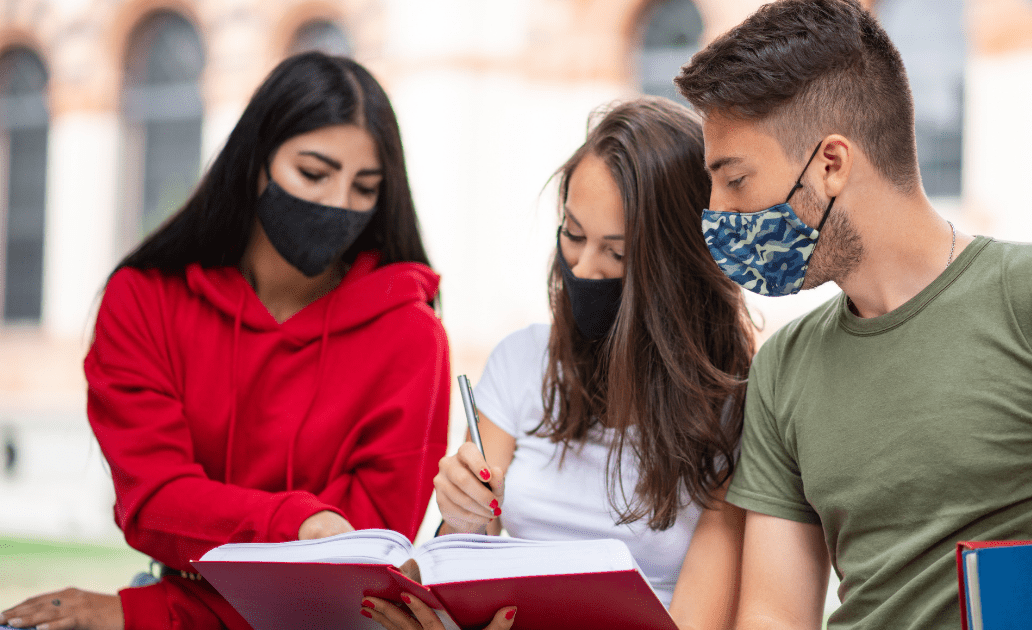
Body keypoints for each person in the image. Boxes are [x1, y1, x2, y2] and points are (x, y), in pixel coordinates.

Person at [669, 1, 1032, 629]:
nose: (717, 214)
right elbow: (773, 617)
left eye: (734, 180)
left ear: (830, 165)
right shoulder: (784, 366)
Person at [0, 52, 451, 630]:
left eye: (364, 187)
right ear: (257, 162)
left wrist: (146, 615)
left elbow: (355, 578)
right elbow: (155, 503)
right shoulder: (143, 301)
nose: (338, 204)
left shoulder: (411, 337)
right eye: (314, 174)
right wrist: (302, 525)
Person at [359, 98, 756, 630]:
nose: (584, 268)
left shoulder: (737, 409)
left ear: (681, 264)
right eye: (573, 234)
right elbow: (455, 572)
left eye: (617, 253)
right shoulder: (522, 362)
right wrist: (461, 517)